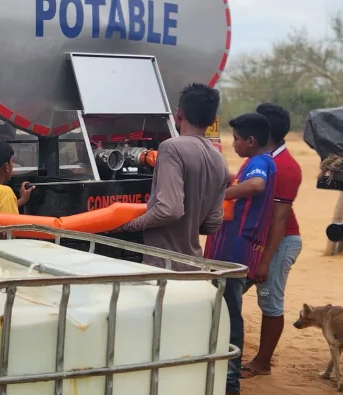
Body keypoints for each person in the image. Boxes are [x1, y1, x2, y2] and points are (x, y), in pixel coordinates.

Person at [115, 83, 228, 268]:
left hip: (163, 266)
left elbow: (169, 210)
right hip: (193, 265)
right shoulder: (218, 158)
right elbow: (212, 224)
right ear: (212, 119)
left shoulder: (171, 147)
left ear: (179, 114)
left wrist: (128, 226)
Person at [204, 112, 277, 395]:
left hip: (236, 248)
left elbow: (255, 185)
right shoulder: (257, 162)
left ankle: (230, 381)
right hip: (233, 246)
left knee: (230, 312)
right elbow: (245, 179)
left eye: (235, 139)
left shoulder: (259, 163)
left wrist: (219, 196)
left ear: (251, 140)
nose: (232, 144)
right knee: (225, 308)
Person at [240, 103, 303, 379]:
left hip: (279, 241)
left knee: (270, 301)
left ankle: (262, 362)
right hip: (259, 240)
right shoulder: (262, 156)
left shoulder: (287, 167)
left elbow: (279, 219)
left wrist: (265, 260)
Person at [0, 140, 34, 215]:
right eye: (12, 162)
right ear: (6, 166)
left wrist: (22, 200)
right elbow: (11, 224)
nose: (12, 165)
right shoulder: (5, 192)